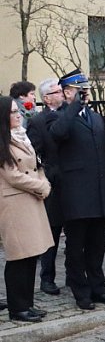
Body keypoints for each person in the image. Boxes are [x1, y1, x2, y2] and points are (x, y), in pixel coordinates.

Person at [49, 69, 105, 310]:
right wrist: (72, 107)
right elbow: (58, 134)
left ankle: (99, 288)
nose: (85, 94)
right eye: (80, 90)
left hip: (100, 194)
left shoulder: (96, 117)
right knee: (76, 248)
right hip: (76, 196)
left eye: (86, 90)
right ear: (67, 92)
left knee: (97, 246)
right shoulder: (58, 117)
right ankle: (81, 291)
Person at [0, 96, 53, 322]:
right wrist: (41, 186)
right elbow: (12, 176)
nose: (18, 114)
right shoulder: (3, 142)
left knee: (31, 255)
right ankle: (17, 307)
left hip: (31, 201)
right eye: (13, 112)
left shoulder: (21, 137)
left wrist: (44, 182)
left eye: (17, 110)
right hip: (15, 205)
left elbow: (36, 164)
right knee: (18, 258)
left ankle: (27, 303)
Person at [26, 78, 64, 296]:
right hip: (54, 183)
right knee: (53, 232)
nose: (62, 94)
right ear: (47, 97)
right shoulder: (38, 122)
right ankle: (47, 278)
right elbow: (34, 154)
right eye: (57, 91)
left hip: (74, 182)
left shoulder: (71, 115)